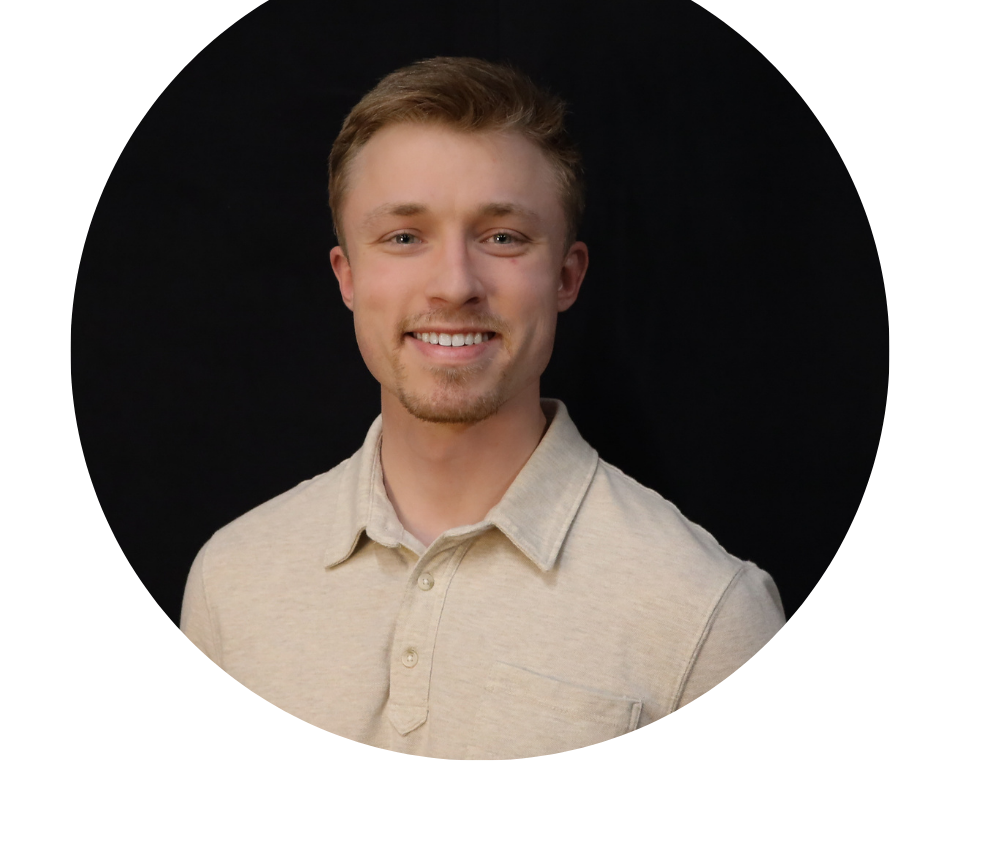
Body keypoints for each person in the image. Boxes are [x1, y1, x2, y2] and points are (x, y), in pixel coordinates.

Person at [180, 56, 785, 759]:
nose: (455, 285)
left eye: (502, 236)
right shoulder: (231, 578)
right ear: (348, 277)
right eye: (404, 236)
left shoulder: (708, 613)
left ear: (566, 276)